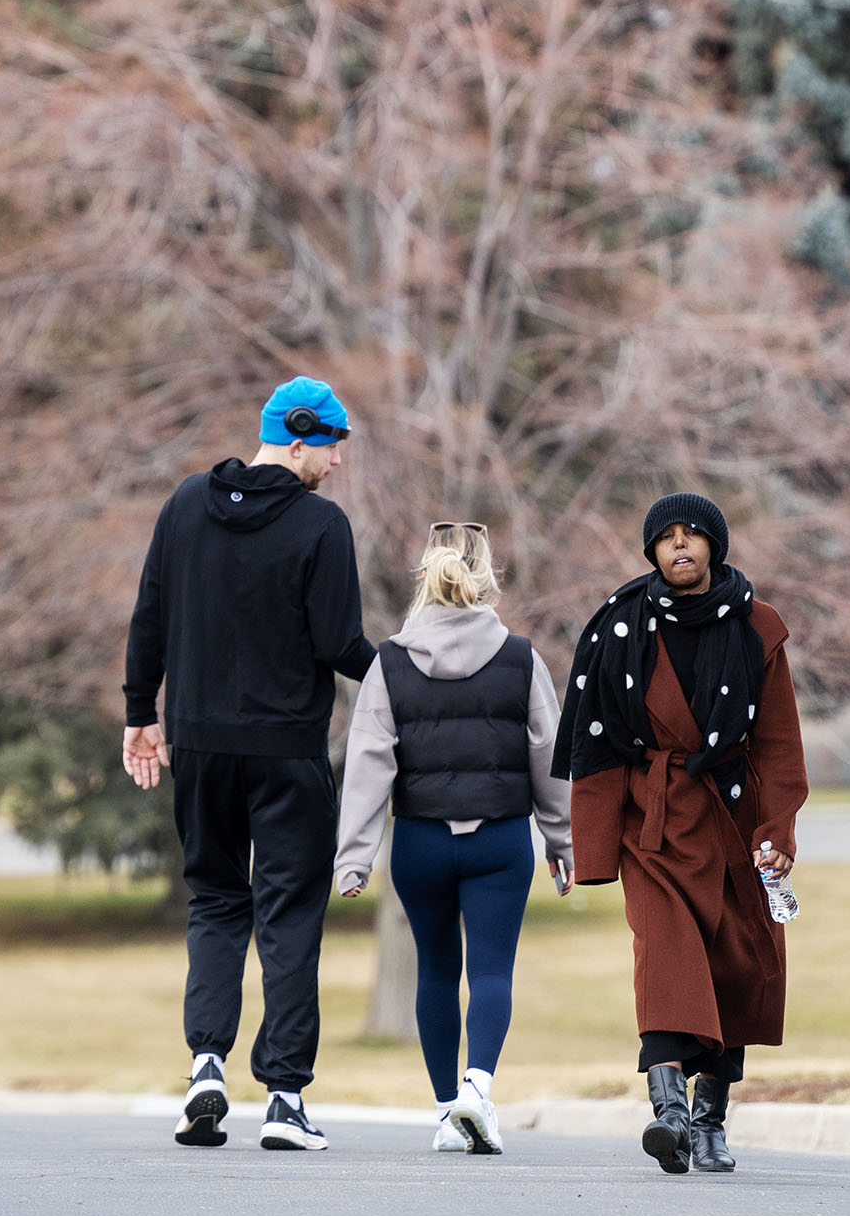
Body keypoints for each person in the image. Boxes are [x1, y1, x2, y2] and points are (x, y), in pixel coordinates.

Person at [124, 377, 374, 1152]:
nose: (336, 464)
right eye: (332, 446)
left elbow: (150, 618)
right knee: (290, 915)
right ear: (299, 437)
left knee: (216, 901)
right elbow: (339, 645)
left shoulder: (185, 505)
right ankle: (287, 1098)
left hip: (200, 743)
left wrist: (142, 715)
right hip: (288, 751)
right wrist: (407, 673)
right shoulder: (320, 526)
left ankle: (206, 1064)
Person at [558, 493, 808, 1176]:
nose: (679, 546)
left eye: (692, 534)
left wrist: (777, 827)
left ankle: (710, 1119)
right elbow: (596, 740)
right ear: (651, 551)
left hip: (732, 819)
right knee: (664, 953)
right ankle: (668, 1110)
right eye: (666, 536)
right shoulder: (619, 625)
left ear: (713, 545)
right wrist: (594, 845)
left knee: (731, 964)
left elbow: (780, 742)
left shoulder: (759, 624)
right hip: (654, 821)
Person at [335, 524, 572, 1155]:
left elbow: (367, 764)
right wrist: (562, 841)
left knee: (436, 974)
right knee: (492, 969)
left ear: (425, 583)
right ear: (486, 583)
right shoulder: (522, 659)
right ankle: (478, 1086)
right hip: (499, 840)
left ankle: (447, 1112)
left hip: (420, 844)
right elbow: (549, 756)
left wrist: (354, 857)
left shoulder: (389, 662)